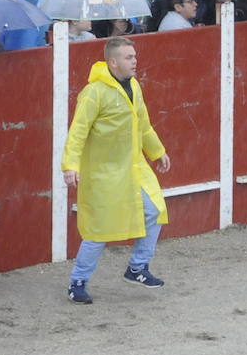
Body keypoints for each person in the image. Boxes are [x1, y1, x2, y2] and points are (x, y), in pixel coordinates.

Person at [62, 37, 172, 304]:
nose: (135, 61)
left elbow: (143, 124)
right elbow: (77, 132)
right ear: (113, 62)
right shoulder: (94, 92)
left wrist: (157, 151)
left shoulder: (134, 86)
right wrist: (70, 165)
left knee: (155, 211)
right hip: (104, 173)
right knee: (99, 230)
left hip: (134, 167)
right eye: (128, 57)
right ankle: (78, 281)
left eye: (134, 56)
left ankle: (137, 267)